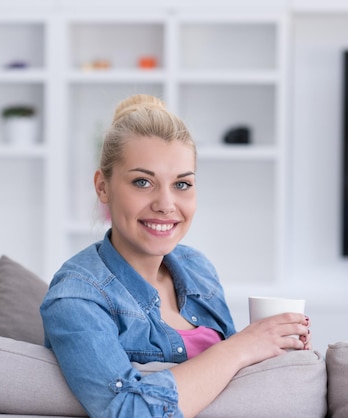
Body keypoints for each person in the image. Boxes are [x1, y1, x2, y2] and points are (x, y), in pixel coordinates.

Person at [40, 94, 311, 418]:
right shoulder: (77, 297)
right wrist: (241, 346)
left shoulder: (197, 269)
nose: (166, 204)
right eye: (143, 182)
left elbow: (230, 374)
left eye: (182, 184)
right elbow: (127, 411)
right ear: (103, 187)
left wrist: (272, 347)